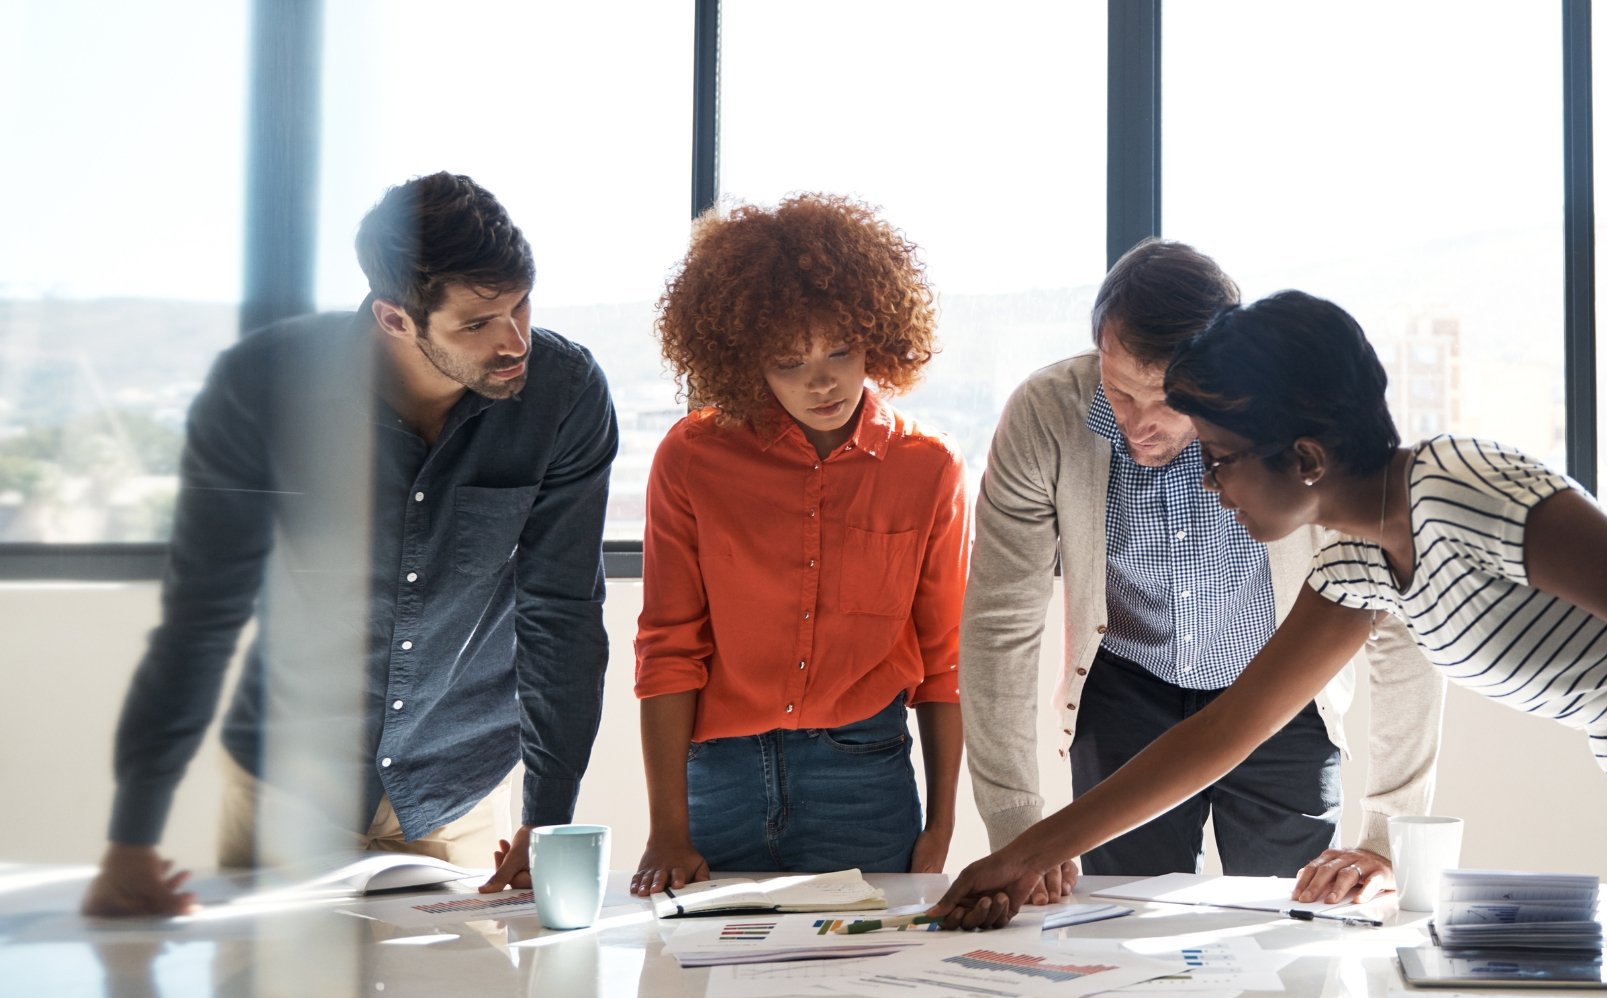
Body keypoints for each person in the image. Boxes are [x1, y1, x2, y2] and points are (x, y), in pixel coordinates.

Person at [935, 289, 1607, 998]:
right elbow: (1227, 730)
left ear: (1304, 459)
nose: (1206, 483)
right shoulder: (1359, 561)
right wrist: (1024, 853)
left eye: (1220, 457)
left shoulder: (1461, 490)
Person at [82, 172, 618, 916]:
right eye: (479, 323)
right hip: (286, 791)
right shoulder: (265, 387)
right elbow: (203, 614)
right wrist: (132, 839)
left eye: (522, 304)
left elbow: (560, 614)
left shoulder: (564, 394)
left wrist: (549, 817)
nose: (514, 340)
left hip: (455, 795)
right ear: (395, 319)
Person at [963, 240, 1443, 907]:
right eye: (1118, 389)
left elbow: (1398, 626)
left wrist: (1387, 836)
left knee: (1290, 941)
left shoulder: (1302, 433)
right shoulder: (1046, 415)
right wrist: (1015, 823)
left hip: (1281, 693)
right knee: (1120, 934)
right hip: (1126, 693)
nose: (1138, 423)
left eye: (1165, 402)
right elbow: (999, 626)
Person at [629, 194, 968, 895]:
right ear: (745, 361)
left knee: (869, 994)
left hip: (864, 777)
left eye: (840, 350)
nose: (822, 381)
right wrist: (668, 827)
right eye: (789, 361)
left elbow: (945, 661)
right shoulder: (691, 459)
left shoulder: (927, 468)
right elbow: (669, 646)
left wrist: (941, 822)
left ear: (876, 333)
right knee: (704, 994)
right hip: (719, 777)